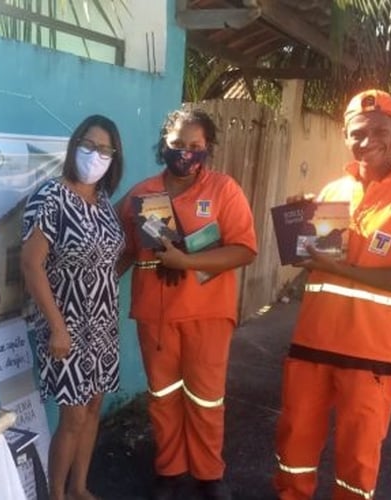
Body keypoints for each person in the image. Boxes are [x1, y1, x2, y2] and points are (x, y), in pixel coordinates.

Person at [272, 89, 391, 499]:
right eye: (357, 133)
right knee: (293, 447)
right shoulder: (333, 190)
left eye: (378, 130)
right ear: (344, 134)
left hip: (372, 355)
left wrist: (343, 269)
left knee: (358, 460)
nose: (367, 140)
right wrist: (297, 226)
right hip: (311, 344)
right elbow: (310, 262)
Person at [117, 109, 258, 500]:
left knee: (206, 398)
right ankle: (169, 469)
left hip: (207, 314)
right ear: (165, 142)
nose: (185, 153)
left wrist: (188, 262)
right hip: (155, 314)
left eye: (195, 146)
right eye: (178, 144)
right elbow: (122, 248)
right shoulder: (140, 194)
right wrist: (94, 284)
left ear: (208, 148)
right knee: (162, 397)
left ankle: (208, 473)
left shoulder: (223, 190)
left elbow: (245, 249)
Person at [21, 114, 125, 500]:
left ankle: (80, 487)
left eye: (105, 149)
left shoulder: (103, 202)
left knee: (94, 407)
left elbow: (109, 259)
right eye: (89, 145)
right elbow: (31, 264)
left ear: (114, 157)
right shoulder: (51, 197)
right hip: (66, 326)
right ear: (74, 146)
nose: (96, 154)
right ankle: (57, 495)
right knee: (73, 416)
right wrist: (58, 327)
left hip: (102, 325)